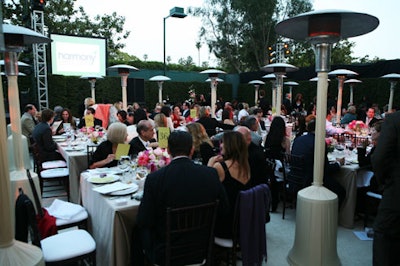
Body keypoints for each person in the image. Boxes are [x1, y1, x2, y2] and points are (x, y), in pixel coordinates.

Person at [133, 131, 228, 265]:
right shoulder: (210, 174)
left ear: (169, 150)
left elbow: (143, 220)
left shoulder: (155, 179)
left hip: (166, 252)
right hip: (201, 249)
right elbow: (224, 209)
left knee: (136, 233)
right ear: (192, 150)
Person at [291, 119, 346, 207]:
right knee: (341, 191)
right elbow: (324, 169)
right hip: (311, 179)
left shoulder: (298, 139)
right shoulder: (318, 142)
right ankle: (331, 216)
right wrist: (338, 164)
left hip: (295, 177)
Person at [208, 131, 252, 238]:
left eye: (223, 142)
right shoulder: (246, 165)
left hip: (225, 225)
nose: (221, 145)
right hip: (242, 222)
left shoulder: (220, 167)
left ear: (230, 145)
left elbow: (206, 187)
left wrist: (210, 164)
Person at [371, 111, 400, 265]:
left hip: (395, 197)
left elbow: (380, 159)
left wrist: (385, 183)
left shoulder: (394, 120)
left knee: (385, 242)